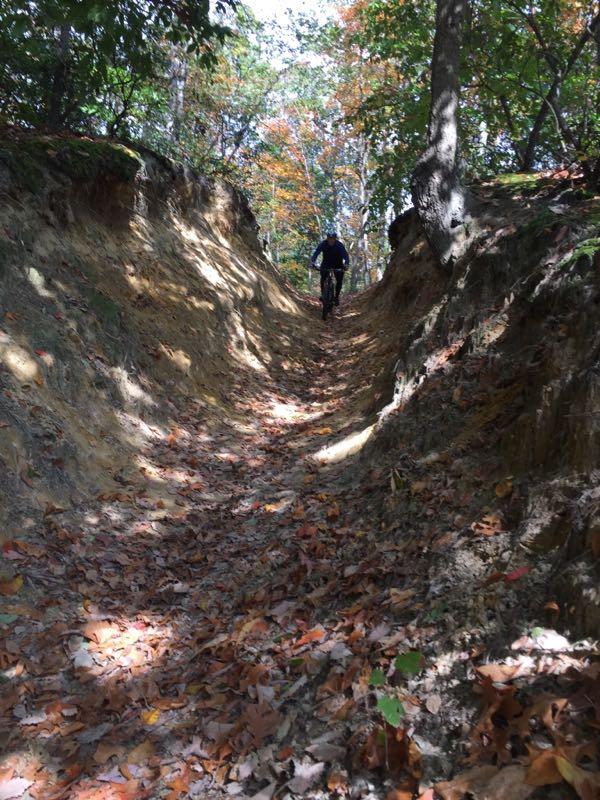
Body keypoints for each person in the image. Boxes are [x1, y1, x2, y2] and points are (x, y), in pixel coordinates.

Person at [310, 232, 350, 306]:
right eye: (329, 239)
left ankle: (336, 297)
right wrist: (312, 262)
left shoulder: (339, 245)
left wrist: (346, 264)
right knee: (323, 277)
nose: (331, 240)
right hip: (326, 263)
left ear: (335, 239)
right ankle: (323, 294)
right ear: (327, 238)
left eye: (333, 239)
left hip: (338, 264)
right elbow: (316, 253)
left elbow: (345, 256)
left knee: (339, 280)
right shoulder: (323, 244)